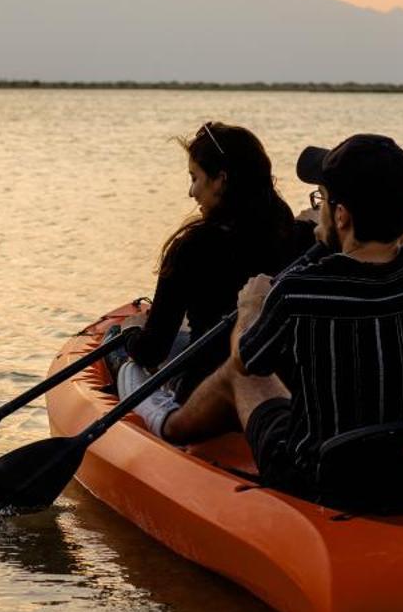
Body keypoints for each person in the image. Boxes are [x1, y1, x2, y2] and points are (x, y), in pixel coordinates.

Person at [163, 133, 403, 499]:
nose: (317, 206)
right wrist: (374, 222)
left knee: (236, 375)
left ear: (341, 215)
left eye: (321, 199)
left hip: (327, 479)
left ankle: (165, 425)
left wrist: (251, 306)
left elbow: (246, 360)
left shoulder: (298, 290)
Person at [115, 122, 313, 437]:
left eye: (195, 178)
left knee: (123, 357)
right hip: (278, 394)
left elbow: (152, 350)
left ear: (220, 180)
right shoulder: (296, 235)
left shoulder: (191, 247)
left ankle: (158, 420)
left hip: (207, 398)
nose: (191, 191)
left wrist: (129, 335)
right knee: (186, 343)